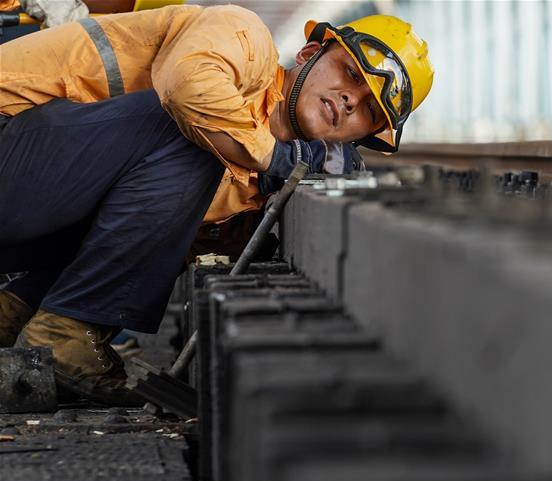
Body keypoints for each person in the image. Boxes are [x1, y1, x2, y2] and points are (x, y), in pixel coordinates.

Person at [0, 4, 434, 402]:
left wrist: (237, 228)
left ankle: (14, 314)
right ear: (307, 53)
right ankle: (69, 332)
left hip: (28, 199)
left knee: (172, 216)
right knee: (194, 129)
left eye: (368, 111)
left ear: (361, 137)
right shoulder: (245, 38)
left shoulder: (250, 176)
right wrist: (281, 158)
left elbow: (139, 226)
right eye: (351, 74)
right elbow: (188, 88)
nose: (350, 99)